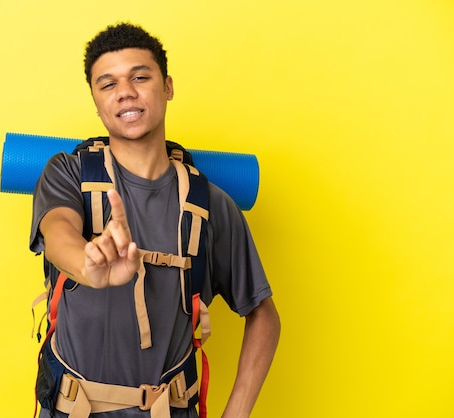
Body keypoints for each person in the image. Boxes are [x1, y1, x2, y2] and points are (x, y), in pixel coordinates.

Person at [29, 22, 280, 418]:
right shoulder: (68, 174)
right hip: (69, 409)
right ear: (96, 102)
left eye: (140, 77)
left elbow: (263, 314)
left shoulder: (211, 205)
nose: (125, 92)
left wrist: (237, 412)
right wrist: (87, 264)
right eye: (107, 84)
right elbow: (58, 229)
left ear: (168, 87)